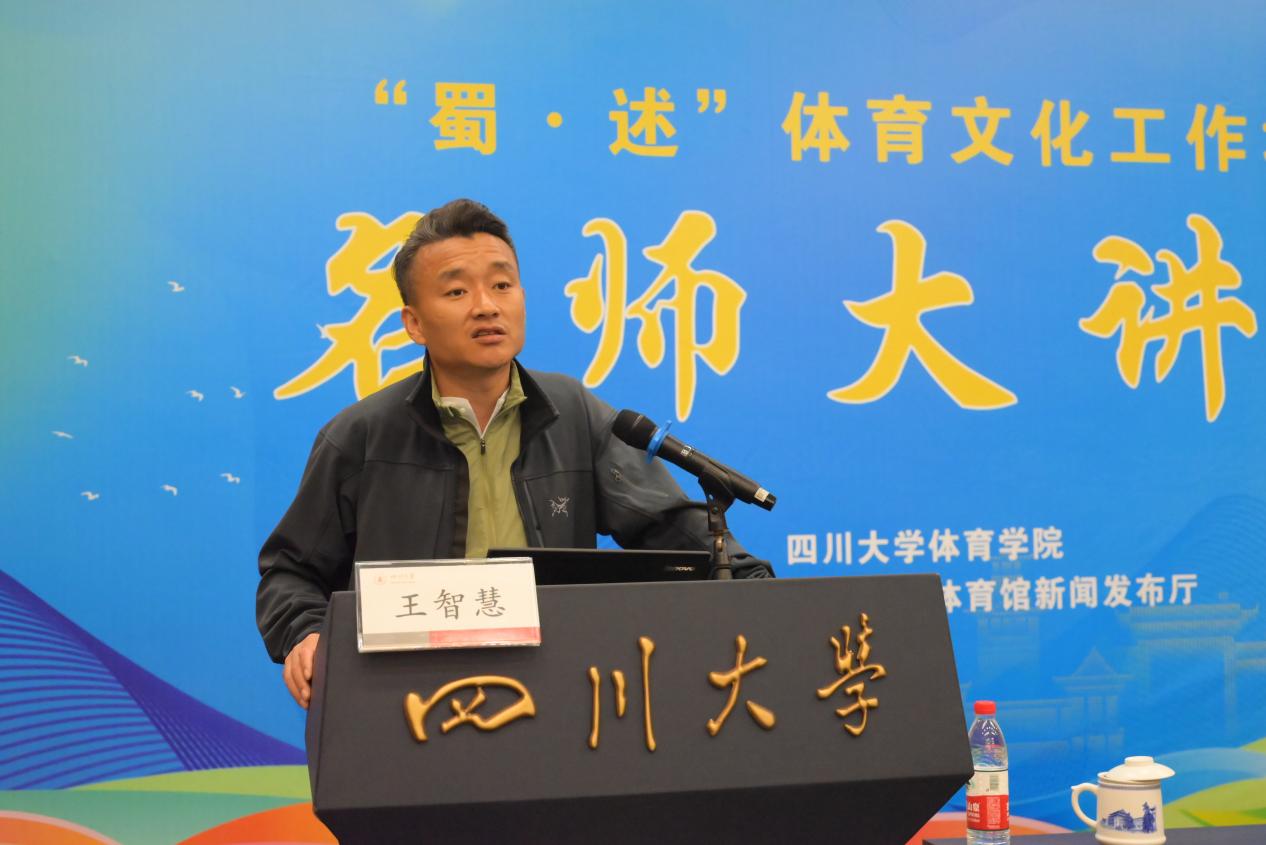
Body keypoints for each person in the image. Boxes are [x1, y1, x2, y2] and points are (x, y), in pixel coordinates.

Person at [257, 199, 772, 708]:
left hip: (553, 694)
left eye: (502, 285)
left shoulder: (573, 414)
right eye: (457, 291)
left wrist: (755, 587)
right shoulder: (362, 436)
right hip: (405, 699)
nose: (487, 306)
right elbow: (290, 572)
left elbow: (668, 524)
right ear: (414, 323)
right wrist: (305, 633)